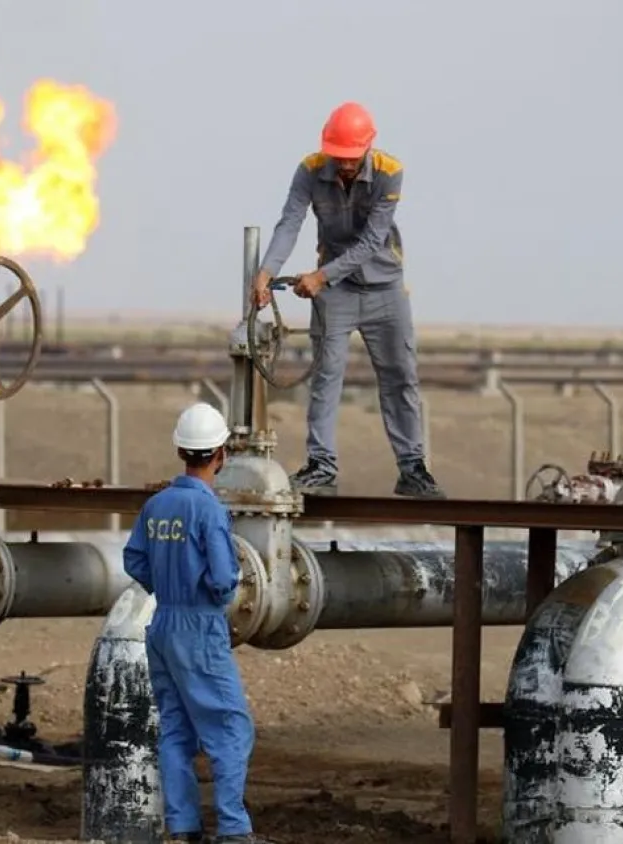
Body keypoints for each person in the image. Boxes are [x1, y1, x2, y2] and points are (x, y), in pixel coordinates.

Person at [251, 100, 445, 500]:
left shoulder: (391, 172)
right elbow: (290, 221)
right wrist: (267, 271)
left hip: (384, 287)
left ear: (367, 150)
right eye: (337, 158)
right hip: (336, 292)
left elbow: (372, 241)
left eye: (350, 159)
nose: (343, 166)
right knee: (326, 377)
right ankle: (321, 466)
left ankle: (413, 468)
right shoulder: (309, 169)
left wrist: (320, 277)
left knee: (400, 377)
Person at [123, 403, 269, 844]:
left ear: (181, 451)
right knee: (230, 727)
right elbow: (225, 576)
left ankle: (184, 826)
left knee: (175, 728)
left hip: (163, 624)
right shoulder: (208, 510)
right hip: (199, 626)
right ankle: (233, 829)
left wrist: (168, 586)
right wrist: (209, 595)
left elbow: (134, 559)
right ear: (221, 454)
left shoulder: (157, 504)